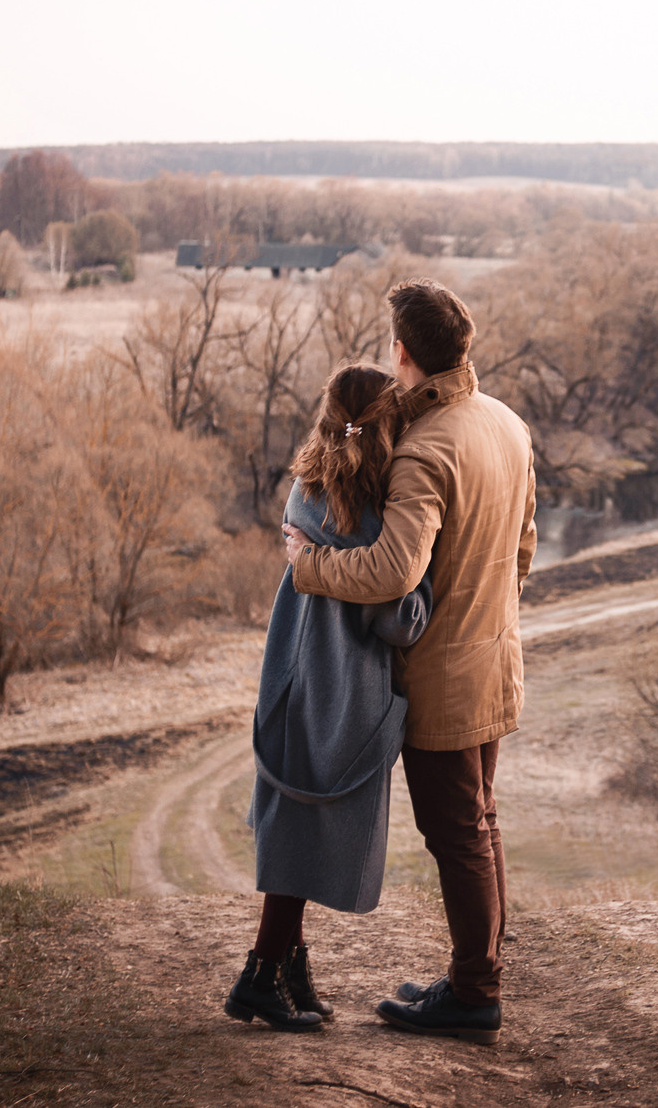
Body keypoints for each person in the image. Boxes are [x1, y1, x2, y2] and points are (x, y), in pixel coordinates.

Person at [283, 278, 537, 1047]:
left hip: (445, 680)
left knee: (457, 829)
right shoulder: (505, 423)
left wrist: (310, 567)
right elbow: (522, 548)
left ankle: (474, 994)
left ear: (404, 353)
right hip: (497, 658)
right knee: (480, 822)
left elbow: (393, 570)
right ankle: (473, 975)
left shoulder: (426, 448)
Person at [225, 364, 432, 1033]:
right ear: (385, 426)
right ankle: (260, 972)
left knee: (297, 820)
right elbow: (395, 619)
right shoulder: (371, 514)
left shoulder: (304, 489)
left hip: (290, 675)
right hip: (342, 688)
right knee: (307, 828)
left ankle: (290, 966)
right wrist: (422, 593)